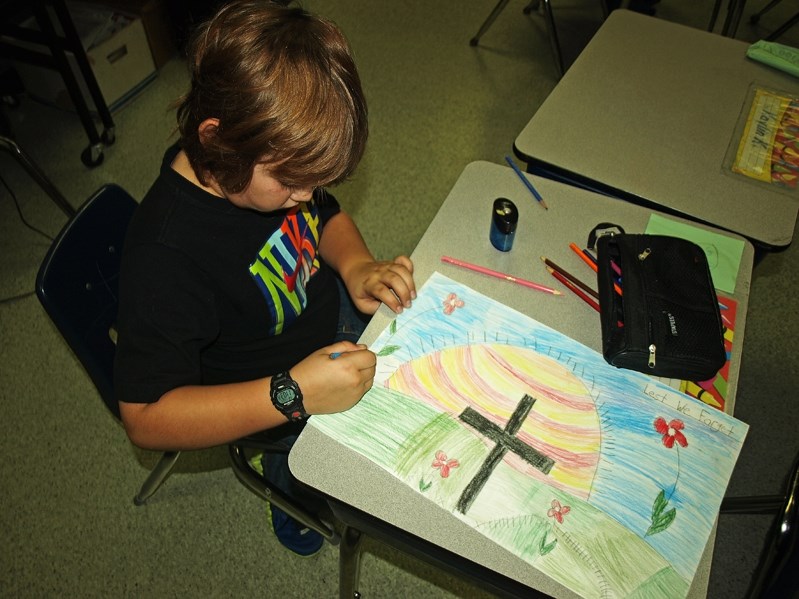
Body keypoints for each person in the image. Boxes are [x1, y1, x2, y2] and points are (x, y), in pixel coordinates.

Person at [113, 0, 416, 556]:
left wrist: (356, 267)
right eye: (295, 182)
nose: (306, 195)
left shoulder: (257, 164)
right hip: (268, 392)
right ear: (216, 138)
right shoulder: (166, 256)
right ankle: (287, 484)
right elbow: (144, 418)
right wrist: (291, 394)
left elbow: (325, 216)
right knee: (365, 469)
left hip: (322, 319)